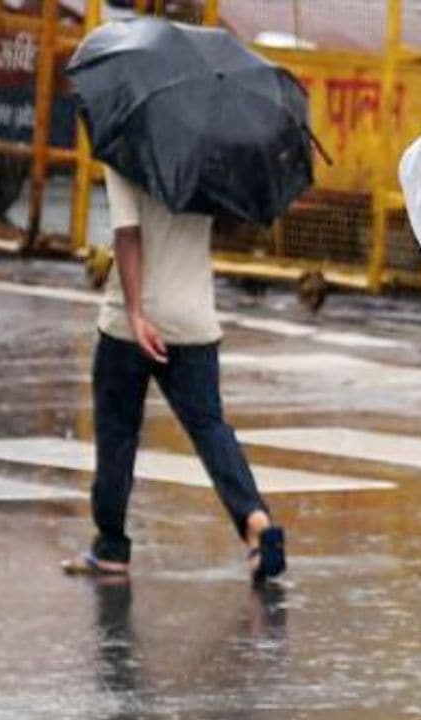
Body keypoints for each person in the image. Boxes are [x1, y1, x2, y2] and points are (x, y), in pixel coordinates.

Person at [62, 167, 286, 582]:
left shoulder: (125, 156)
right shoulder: (205, 156)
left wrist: (136, 313)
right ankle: (255, 520)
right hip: (193, 318)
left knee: (117, 433)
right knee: (209, 426)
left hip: (129, 325)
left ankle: (111, 548)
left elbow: (128, 234)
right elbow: (226, 225)